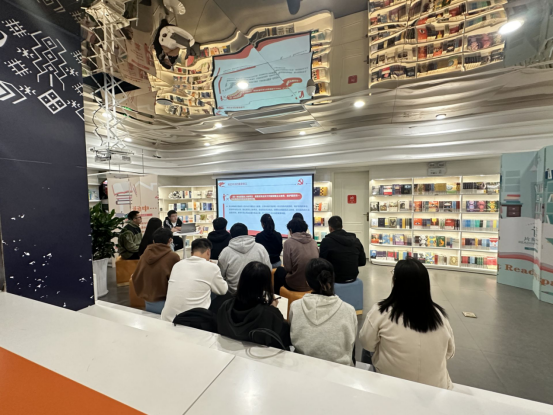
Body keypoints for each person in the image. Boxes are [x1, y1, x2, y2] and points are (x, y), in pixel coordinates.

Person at [359, 258, 455, 389]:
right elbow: (449, 353)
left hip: (392, 386)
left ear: (395, 282)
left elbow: (367, 344)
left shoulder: (381, 311)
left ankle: (366, 380)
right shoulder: (439, 316)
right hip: (437, 387)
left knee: (367, 348)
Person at [289, 258, 357, 366]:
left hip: (302, 366)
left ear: (307, 282)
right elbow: (351, 344)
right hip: (340, 371)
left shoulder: (295, 306)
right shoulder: (349, 310)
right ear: (332, 280)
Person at [217, 261, 291, 349]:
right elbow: (285, 338)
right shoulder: (270, 315)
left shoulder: (225, 307)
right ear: (265, 285)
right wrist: (273, 310)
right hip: (259, 355)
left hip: (227, 351)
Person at [161, 238, 229, 322]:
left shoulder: (177, 265)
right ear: (208, 252)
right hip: (191, 321)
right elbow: (223, 290)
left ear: (191, 253)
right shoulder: (212, 267)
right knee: (222, 295)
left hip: (167, 317)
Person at [133, 228, 180, 314]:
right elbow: (178, 280)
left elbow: (136, 275)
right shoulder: (173, 257)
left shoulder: (145, 254)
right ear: (170, 240)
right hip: (166, 299)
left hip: (147, 297)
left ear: (154, 241)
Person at [217, 223, 271, 294]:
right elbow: (268, 270)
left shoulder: (225, 252)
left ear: (231, 235)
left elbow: (220, 276)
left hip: (233, 294)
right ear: (247, 233)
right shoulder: (261, 248)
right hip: (258, 292)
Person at [274, 219, 318, 294]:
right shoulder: (314, 242)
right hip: (312, 284)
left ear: (291, 230)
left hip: (295, 285)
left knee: (279, 271)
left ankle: (278, 298)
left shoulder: (288, 243)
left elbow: (288, 268)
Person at [319, 216, 366, 283]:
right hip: (352, 277)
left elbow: (322, 263)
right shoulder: (356, 240)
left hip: (334, 279)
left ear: (330, 228)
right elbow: (362, 262)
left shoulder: (326, 241)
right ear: (342, 226)